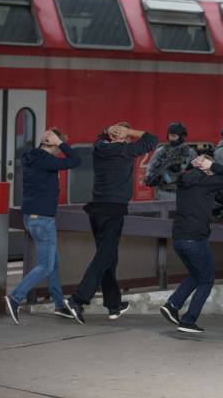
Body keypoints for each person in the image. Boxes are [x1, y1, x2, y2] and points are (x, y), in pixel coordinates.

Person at [64, 122, 158, 324]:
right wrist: (131, 131)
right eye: (127, 136)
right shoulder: (126, 151)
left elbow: (100, 136)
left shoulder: (99, 148)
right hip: (114, 210)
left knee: (109, 258)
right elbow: (152, 139)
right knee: (104, 256)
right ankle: (77, 300)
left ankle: (114, 305)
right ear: (123, 138)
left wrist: (109, 130)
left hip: (96, 209)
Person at [4, 128, 81, 324]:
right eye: (57, 147)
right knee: (46, 266)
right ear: (53, 144)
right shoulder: (47, 161)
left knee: (52, 264)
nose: (59, 152)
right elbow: (76, 160)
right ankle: (15, 298)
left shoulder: (30, 156)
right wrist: (61, 143)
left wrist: (53, 141)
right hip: (43, 219)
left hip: (32, 217)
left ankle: (59, 305)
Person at [159, 155, 223, 333]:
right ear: (206, 168)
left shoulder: (185, 181)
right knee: (207, 280)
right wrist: (213, 165)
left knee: (197, 274)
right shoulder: (204, 181)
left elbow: (205, 198)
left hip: (179, 239)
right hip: (196, 239)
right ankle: (188, 320)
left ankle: (173, 304)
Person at [145, 122, 197, 200]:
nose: (172, 138)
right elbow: (150, 168)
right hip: (164, 193)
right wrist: (151, 177)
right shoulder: (161, 151)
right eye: (170, 136)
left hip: (184, 193)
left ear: (182, 137)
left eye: (174, 136)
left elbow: (198, 173)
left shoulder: (190, 153)